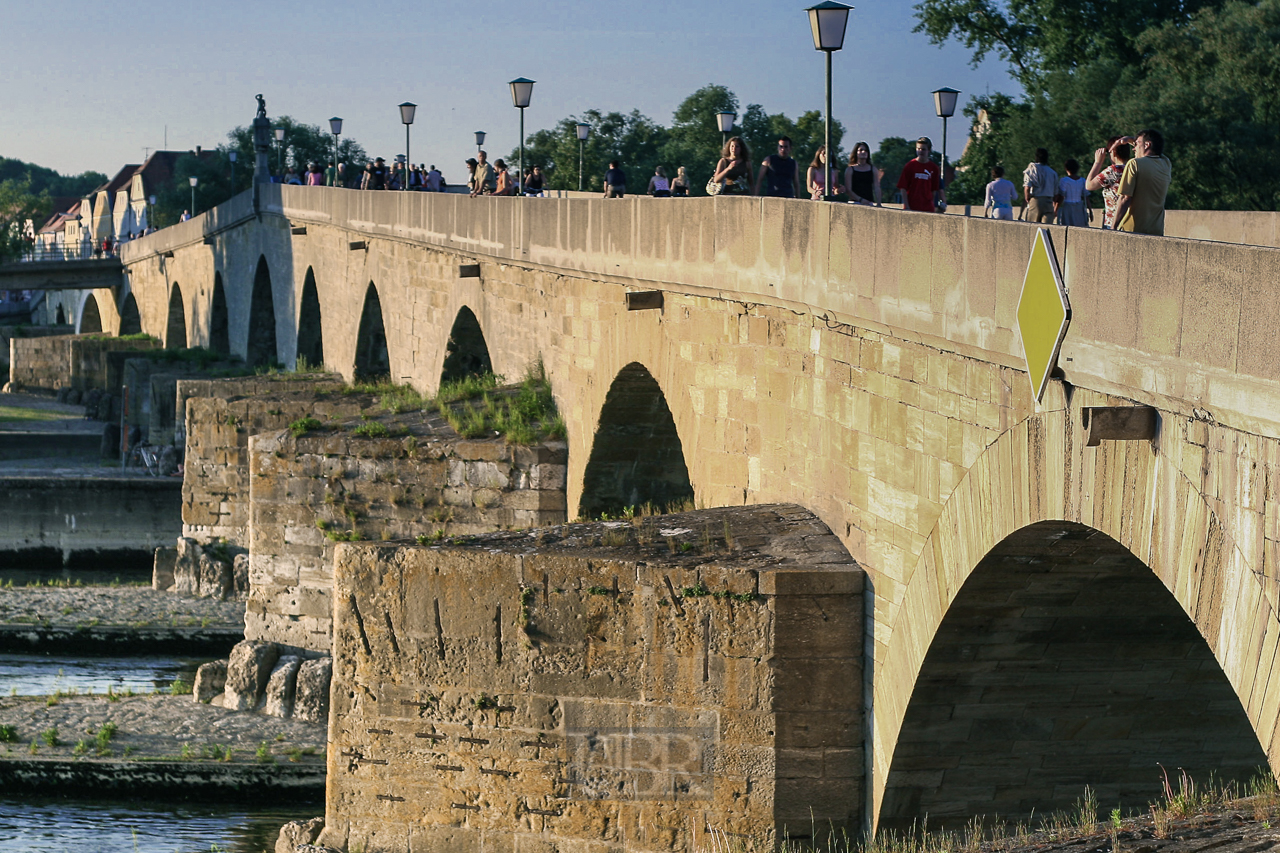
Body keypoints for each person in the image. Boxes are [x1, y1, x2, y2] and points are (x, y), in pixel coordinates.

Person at [1113, 129, 1171, 236]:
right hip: (1156, 230)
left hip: (1132, 229)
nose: (1134, 148)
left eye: (1136, 144)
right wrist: (1131, 140)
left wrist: (1113, 227)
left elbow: (1125, 198)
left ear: (1147, 145)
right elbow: (1158, 152)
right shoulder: (1166, 164)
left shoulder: (1134, 164)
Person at [1085, 137, 1130, 230]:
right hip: (1129, 219)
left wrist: (1098, 162)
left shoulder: (1113, 170)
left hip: (1113, 221)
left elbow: (1089, 186)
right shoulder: (1132, 168)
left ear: (1113, 152)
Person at [896, 137, 944, 212]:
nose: (921, 151)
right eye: (918, 149)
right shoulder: (910, 165)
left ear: (929, 150)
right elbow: (903, 187)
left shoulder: (933, 168)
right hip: (912, 206)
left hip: (927, 207)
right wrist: (907, 206)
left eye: (923, 149)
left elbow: (934, 190)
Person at [1022, 148, 1058, 223]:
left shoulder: (1032, 169)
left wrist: (1027, 198)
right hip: (1048, 201)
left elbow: (1027, 187)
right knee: (1046, 227)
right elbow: (1056, 193)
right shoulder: (1052, 172)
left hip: (1036, 200)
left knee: (1033, 226)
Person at [843, 141, 880, 206]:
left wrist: (879, 203)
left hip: (869, 203)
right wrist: (861, 200)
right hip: (854, 203)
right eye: (861, 150)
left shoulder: (873, 169)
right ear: (856, 153)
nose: (863, 152)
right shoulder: (850, 170)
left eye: (866, 150)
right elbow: (848, 190)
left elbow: (876, 187)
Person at [1055, 159, 1090, 227]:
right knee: (1080, 226)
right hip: (1079, 206)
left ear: (1066, 168)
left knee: (1068, 225)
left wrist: (1056, 209)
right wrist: (1090, 211)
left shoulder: (1064, 180)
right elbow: (1086, 197)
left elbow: (1061, 196)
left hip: (1068, 206)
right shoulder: (1083, 180)